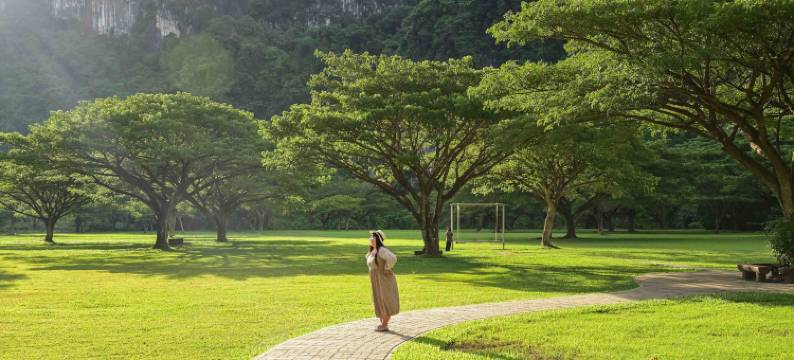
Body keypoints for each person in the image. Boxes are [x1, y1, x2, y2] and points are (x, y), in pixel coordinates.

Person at [366, 230, 399, 331]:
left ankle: (384, 324)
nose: (370, 239)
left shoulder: (382, 250)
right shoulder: (372, 251)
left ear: (378, 239)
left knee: (385, 299)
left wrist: (386, 268)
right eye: (370, 237)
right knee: (378, 299)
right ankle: (383, 323)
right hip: (376, 279)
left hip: (384, 279)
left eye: (373, 237)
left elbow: (393, 258)